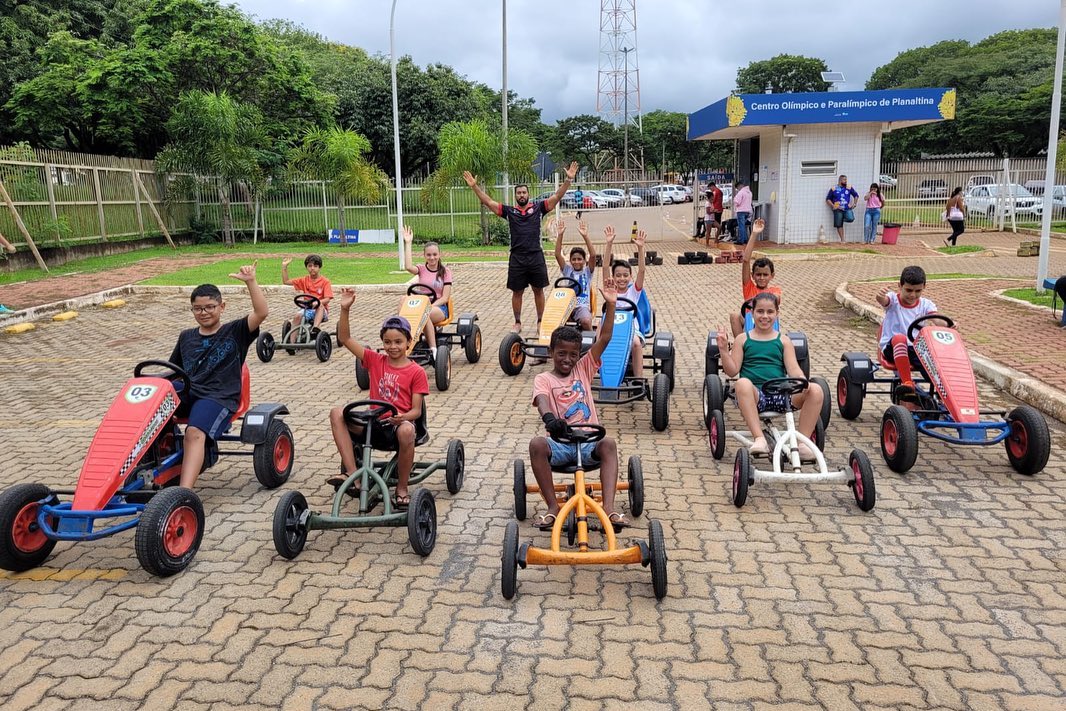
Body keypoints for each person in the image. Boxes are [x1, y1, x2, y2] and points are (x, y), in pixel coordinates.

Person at [530, 276, 626, 529]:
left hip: (589, 443)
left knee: (609, 444)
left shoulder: (583, 369)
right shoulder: (544, 378)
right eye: (561, 353)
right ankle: (552, 506)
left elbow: (604, 339)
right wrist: (550, 420)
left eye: (573, 354)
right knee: (537, 444)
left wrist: (612, 305)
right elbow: (542, 401)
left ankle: (608, 508)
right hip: (561, 444)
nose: (567, 359)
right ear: (551, 353)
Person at [169, 262, 269, 488]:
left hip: (218, 396)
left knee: (194, 432)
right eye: (198, 308)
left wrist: (251, 282)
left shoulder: (235, 332)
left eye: (210, 307)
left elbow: (261, 312)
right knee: (149, 411)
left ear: (222, 307)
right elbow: (172, 372)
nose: (203, 313)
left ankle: (184, 493)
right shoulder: (186, 336)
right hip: (189, 393)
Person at [328, 291, 430, 509]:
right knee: (337, 412)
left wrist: (402, 418)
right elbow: (345, 339)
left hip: (396, 428)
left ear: (408, 342)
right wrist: (344, 309)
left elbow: (416, 411)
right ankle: (353, 476)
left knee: (407, 430)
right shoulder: (375, 361)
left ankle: (401, 488)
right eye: (387, 342)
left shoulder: (416, 372)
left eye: (398, 342)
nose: (392, 346)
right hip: (373, 425)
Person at [464, 161, 579, 334]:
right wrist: (474, 187)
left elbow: (556, 197)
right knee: (517, 292)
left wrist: (568, 180)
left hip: (536, 256)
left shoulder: (539, 208)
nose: (522, 195)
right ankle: (517, 322)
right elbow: (488, 202)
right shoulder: (509, 211)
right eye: (519, 192)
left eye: (524, 192)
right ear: (516, 195)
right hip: (517, 257)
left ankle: (540, 321)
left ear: (528, 194)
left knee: (538, 290)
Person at [716, 292, 824, 458]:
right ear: (752, 313)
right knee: (742, 383)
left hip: (781, 395)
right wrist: (723, 350)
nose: (764, 316)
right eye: (760, 311)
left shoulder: (783, 341)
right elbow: (732, 371)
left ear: (777, 314)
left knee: (816, 389)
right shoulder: (743, 339)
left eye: (769, 312)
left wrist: (803, 382)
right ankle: (759, 438)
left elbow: (793, 369)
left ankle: (802, 443)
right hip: (755, 396)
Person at [875, 265, 938, 403]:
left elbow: (937, 319)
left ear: (924, 287)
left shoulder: (926, 305)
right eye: (908, 290)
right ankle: (907, 384)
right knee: (900, 338)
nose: (912, 295)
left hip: (915, 349)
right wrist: (880, 297)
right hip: (891, 347)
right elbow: (884, 301)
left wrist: (950, 325)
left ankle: (942, 394)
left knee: (933, 363)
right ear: (900, 286)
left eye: (917, 291)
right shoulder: (894, 300)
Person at [601, 225, 647, 377]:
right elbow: (605, 266)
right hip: (611, 327)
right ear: (613, 277)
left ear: (630, 277)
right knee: (598, 340)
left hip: (630, 329)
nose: (621, 279)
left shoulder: (634, 291)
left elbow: (641, 270)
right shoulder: (610, 288)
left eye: (625, 275)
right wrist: (609, 244)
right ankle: (597, 373)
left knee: (635, 343)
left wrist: (640, 249)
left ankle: (638, 380)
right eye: (618, 275)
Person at [402, 225, 452, 355]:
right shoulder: (422, 269)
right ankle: (403, 341)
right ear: (424, 256)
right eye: (429, 255)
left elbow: (445, 298)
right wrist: (408, 243)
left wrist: (428, 306)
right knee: (404, 300)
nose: (432, 258)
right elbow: (408, 266)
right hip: (420, 306)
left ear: (439, 254)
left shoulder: (445, 272)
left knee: (425, 315)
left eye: (435, 255)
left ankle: (434, 350)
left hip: (439, 307)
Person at [729, 218, 782, 336]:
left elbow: (776, 298)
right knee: (734, 316)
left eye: (765, 275)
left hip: (767, 321)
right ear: (753, 276)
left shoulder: (775, 291)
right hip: (750, 322)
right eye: (758, 275)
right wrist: (754, 233)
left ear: (771, 276)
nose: (761, 278)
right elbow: (746, 260)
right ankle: (741, 346)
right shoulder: (749, 288)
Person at [552, 218, 596, 331]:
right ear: (570, 261)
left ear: (584, 260)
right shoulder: (567, 270)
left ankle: (592, 341)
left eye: (579, 259)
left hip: (582, 306)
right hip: (567, 305)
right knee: (554, 320)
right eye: (574, 259)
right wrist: (560, 235)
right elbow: (557, 255)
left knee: (586, 321)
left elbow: (593, 255)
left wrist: (585, 236)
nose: (577, 261)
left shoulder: (587, 271)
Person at [281, 254, 332, 342]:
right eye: (310, 266)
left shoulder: (325, 282)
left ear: (319, 268)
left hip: (321, 311)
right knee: (297, 316)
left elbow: (327, 298)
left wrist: (318, 302)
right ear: (306, 267)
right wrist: (284, 267)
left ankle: (315, 330)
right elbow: (286, 281)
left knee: (319, 305)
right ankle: (291, 343)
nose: (312, 268)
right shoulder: (304, 280)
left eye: (315, 266)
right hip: (307, 309)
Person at [826, 175, 859, 243]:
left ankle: (840, 220)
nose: (846, 181)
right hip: (837, 209)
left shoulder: (849, 187)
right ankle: (842, 239)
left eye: (846, 180)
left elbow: (856, 195)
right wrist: (833, 206)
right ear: (840, 180)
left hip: (847, 208)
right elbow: (828, 199)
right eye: (844, 180)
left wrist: (854, 204)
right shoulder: (833, 188)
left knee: (851, 218)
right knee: (839, 225)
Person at [733, 180, 753, 245]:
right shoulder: (749, 192)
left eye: (737, 188)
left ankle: (741, 240)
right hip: (747, 211)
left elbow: (737, 202)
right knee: (743, 226)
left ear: (739, 186)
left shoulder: (741, 192)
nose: (737, 189)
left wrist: (735, 204)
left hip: (741, 211)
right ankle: (745, 239)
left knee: (741, 226)